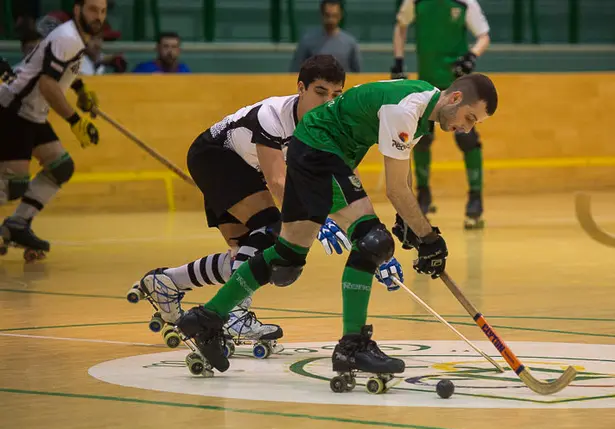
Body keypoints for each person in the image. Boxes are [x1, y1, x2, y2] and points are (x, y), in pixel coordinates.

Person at [174, 74, 498, 380]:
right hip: (320, 150)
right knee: (373, 242)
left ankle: (207, 318)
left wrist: (408, 223)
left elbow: (403, 175)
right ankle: (352, 346)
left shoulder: (424, 104)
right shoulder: (407, 109)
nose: (467, 129)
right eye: (469, 118)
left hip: (314, 149)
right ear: (455, 97)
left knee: (286, 258)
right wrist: (429, 239)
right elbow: (396, 189)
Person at [131, 55, 403, 357]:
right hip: (216, 157)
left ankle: (167, 282)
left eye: (336, 95)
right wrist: (317, 218)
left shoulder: (329, 132)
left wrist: (367, 247)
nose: (329, 102)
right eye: (321, 92)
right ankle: (233, 315)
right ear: (301, 88)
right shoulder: (272, 116)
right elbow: (277, 182)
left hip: (249, 172)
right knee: (271, 230)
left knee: (250, 257)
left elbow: (335, 193)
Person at [0, 0, 102, 260]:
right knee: (13, 185)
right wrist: (75, 120)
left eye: (102, 11)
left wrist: (79, 91)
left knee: (60, 167)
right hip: (15, 108)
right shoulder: (68, 37)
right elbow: (47, 84)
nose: (98, 16)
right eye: (92, 9)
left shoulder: (75, 38)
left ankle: (17, 225)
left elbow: (61, 71)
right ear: (78, 10)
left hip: (33, 113)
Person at [391, 0, 491, 229]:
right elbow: (400, 25)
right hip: (427, 83)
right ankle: (423, 194)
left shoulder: (465, 3)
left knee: (466, 137)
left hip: (458, 84)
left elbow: (484, 35)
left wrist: (471, 56)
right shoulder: (416, 2)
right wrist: (398, 61)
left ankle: (475, 197)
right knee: (422, 139)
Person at [290, 0, 361, 73]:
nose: (331, 20)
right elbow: (295, 72)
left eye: (334, 15)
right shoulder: (307, 41)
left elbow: (358, 74)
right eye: (327, 15)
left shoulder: (350, 43)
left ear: (340, 15)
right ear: (321, 14)